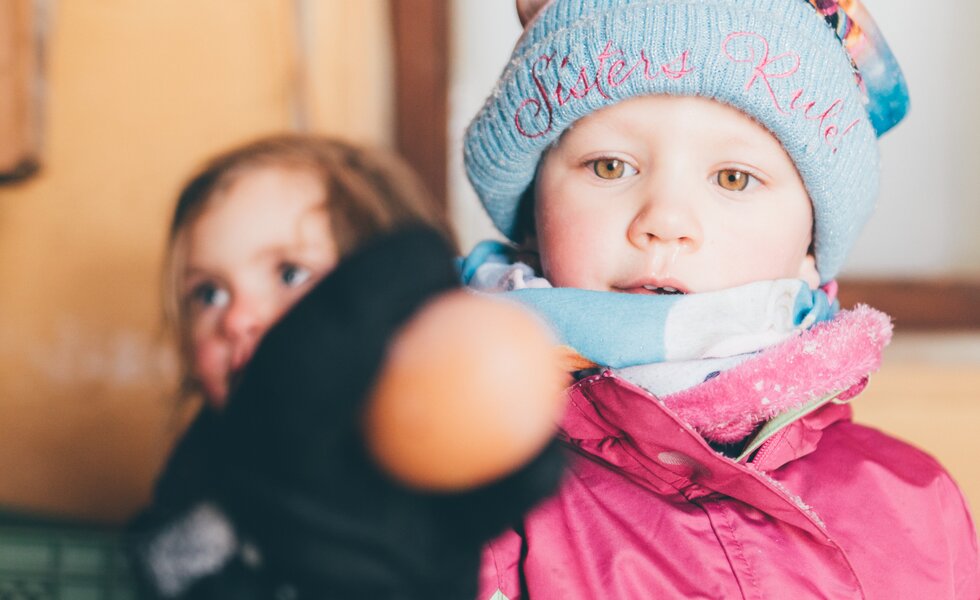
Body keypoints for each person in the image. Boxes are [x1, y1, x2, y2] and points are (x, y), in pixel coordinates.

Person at [460, 0, 980, 597]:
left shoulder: (915, 505)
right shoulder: (449, 474)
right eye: (609, 166)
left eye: (733, 177)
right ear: (533, 216)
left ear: (810, 246)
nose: (665, 220)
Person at [127, 134, 567, 599]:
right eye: (208, 293)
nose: (236, 320)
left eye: (289, 274)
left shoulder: (420, 458)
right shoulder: (199, 475)